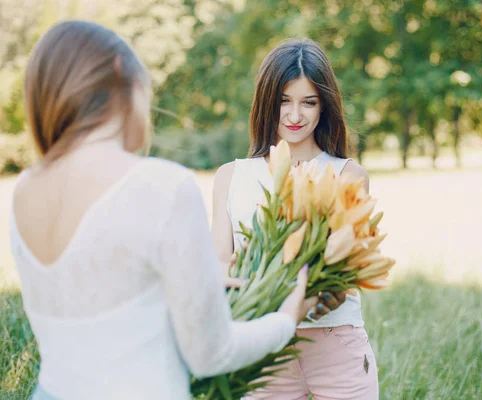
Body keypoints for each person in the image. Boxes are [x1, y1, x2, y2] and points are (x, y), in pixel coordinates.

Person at [9, 20, 317, 400]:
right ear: (124, 77)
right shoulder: (162, 186)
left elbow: (98, 302)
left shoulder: (23, 190)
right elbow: (210, 354)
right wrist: (286, 319)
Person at [212, 39, 379, 400]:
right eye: (283, 101)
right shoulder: (231, 177)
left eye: (308, 102)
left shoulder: (348, 175)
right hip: (261, 353)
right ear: (266, 103)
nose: (294, 115)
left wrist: (304, 300)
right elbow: (220, 269)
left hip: (336, 348)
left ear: (324, 107)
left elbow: (346, 278)